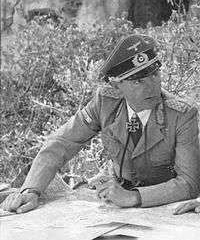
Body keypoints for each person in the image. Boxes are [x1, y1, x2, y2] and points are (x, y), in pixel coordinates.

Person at [1, 34, 200, 214]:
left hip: (162, 205)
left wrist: (134, 197)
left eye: (155, 75)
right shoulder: (106, 102)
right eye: (138, 81)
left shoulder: (181, 114)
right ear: (117, 85)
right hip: (115, 204)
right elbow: (62, 142)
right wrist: (31, 189)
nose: (152, 86)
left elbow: (189, 183)